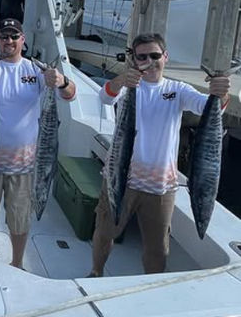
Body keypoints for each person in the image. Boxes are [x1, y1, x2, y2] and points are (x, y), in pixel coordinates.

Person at [88, 33, 231, 277]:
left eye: (155, 55)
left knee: (157, 248)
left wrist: (221, 93)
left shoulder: (177, 90)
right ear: (133, 59)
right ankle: (96, 272)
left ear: (165, 57)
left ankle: (151, 285)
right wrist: (124, 79)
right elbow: (104, 96)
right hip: (121, 178)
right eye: (142, 56)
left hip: (162, 187)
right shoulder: (128, 86)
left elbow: (208, 106)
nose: (150, 61)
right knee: (104, 233)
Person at [0, 18, 76, 269]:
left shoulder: (35, 70)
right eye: (4, 36)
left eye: (14, 36)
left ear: (23, 39)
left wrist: (61, 81)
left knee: (20, 219)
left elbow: (70, 94)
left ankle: (18, 263)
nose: (8, 41)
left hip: (25, 164)